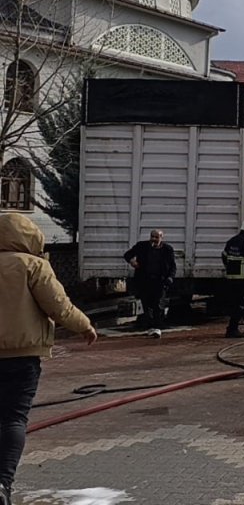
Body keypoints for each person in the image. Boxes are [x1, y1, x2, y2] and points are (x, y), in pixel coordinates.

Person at [0, 213, 97, 505]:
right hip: (22, 356)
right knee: (13, 419)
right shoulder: (34, 266)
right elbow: (58, 306)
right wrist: (84, 326)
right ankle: (2, 484)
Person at [123, 229, 177, 329]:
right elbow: (127, 255)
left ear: (161, 238)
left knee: (158, 303)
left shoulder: (167, 249)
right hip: (145, 280)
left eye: (156, 237)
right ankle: (148, 324)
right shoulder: (142, 246)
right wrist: (132, 261)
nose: (153, 239)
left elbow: (173, 266)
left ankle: (158, 325)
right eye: (152, 237)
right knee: (146, 303)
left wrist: (170, 277)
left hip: (159, 281)